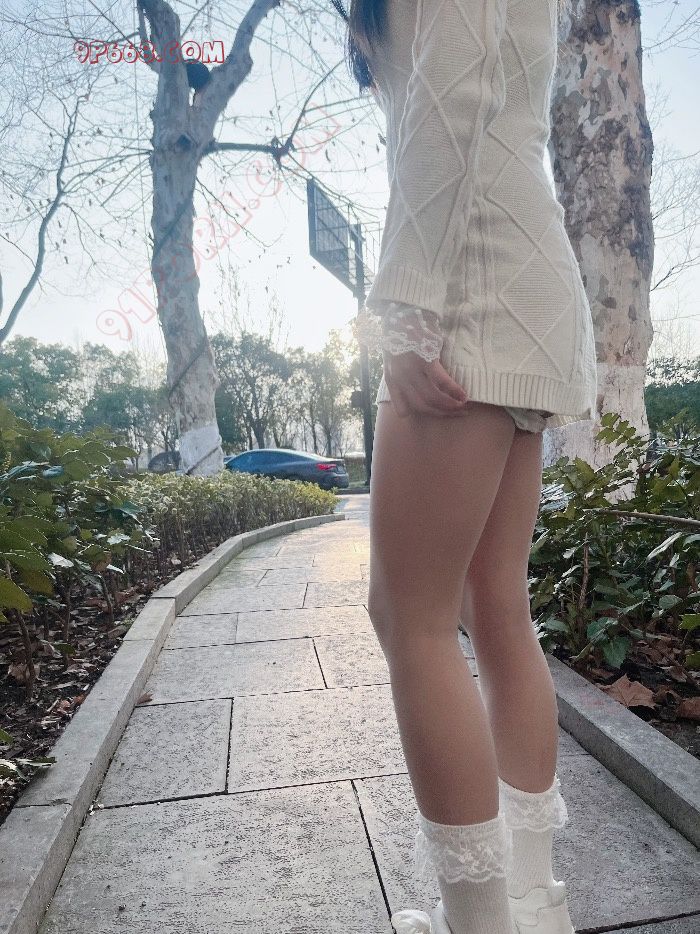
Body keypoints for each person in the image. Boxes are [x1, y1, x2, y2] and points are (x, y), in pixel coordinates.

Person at [337, 0, 598, 932]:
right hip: (521, 283)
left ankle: (481, 921)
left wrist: (403, 311)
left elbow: (448, 102)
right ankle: (529, 901)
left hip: (467, 291)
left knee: (410, 616)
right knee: (495, 604)